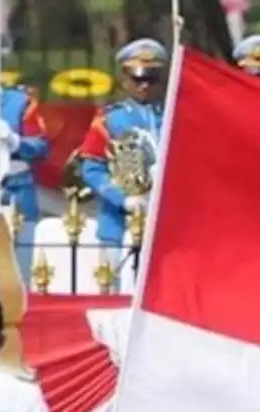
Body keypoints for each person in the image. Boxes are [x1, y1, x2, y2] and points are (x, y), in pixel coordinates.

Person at [76, 38, 166, 273]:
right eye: (137, 78)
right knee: (114, 293)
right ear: (125, 79)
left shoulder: (175, 115)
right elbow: (91, 168)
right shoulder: (110, 119)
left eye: (150, 78)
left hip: (165, 223)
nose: (144, 85)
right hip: (117, 223)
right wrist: (121, 199)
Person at [0, 35, 50, 283]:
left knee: (20, 272)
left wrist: (16, 142)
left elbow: (41, 145)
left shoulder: (18, 102)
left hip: (16, 190)